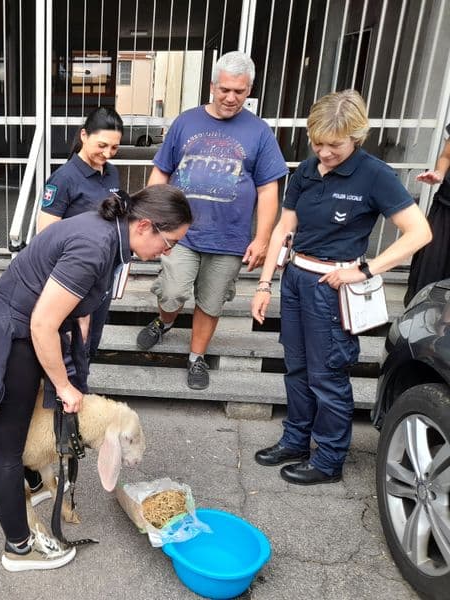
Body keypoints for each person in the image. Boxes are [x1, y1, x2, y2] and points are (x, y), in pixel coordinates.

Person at [0, 185, 192, 571]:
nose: (168, 251)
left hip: (22, 329)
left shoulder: (108, 234)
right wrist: (64, 386)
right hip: (10, 334)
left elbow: (67, 296)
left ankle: (35, 489)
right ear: (144, 226)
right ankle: (19, 549)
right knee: (5, 450)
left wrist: (79, 335)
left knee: (20, 429)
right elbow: (43, 323)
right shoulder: (95, 245)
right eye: (170, 241)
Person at [251, 90, 431, 485]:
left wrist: (366, 269)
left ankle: (329, 459)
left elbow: (419, 232)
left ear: (356, 137)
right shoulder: (306, 170)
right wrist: (264, 283)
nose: (325, 152)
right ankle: (296, 440)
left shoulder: (375, 174)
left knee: (327, 374)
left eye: (335, 145)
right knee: (296, 368)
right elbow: (285, 228)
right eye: (318, 143)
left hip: (331, 285)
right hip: (296, 279)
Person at [135, 51, 288, 391]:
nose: (232, 98)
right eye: (225, 90)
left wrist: (262, 239)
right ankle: (164, 322)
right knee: (172, 291)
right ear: (212, 86)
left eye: (240, 91)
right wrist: (148, 216)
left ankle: (196, 357)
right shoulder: (186, 122)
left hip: (230, 238)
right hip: (180, 233)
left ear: (249, 90)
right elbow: (161, 171)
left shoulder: (260, 132)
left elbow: (268, 190)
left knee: (211, 300)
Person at [26, 106, 124, 502]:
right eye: (102, 145)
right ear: (83, 136)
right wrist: (72, 304)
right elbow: (45, 239)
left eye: (115, 147)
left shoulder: (110, 174)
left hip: (98, 285)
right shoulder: (63, 179)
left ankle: (68, 438)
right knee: (62, 364)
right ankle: (44, 446)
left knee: (84, 359)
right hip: (68, 289)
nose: (108, 153)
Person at [404, 123, 450, 305]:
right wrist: (439, 173)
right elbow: (446, 155)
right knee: (429, 271)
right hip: (446, 208)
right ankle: (421, 325)